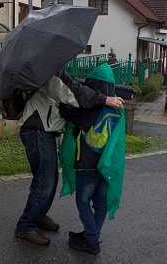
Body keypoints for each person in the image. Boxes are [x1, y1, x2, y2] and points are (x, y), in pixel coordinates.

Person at [14, 69, 124, 246]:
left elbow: (72, 88)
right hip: (38, 130)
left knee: (45, 180)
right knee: (46, 182)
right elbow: (71, 92)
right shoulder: (47, 70)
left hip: (43, 131)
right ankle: (26, 225)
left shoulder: (51, 68)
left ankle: (37, 215)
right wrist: (104, 99)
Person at [59, 63, 126, 254]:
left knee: (83, 202)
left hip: (86, 166)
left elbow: (65, 111)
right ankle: (93, 233)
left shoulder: (88, 109)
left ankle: (91, 240)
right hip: (106, 168)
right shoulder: (116, 110)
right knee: (100, 204)